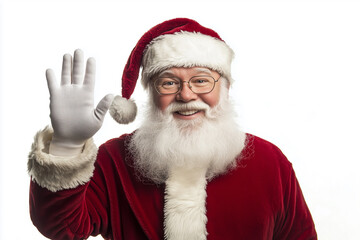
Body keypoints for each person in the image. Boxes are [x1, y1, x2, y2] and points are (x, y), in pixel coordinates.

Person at [28, 18, 317, 240]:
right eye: (168, 83)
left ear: (225, 88)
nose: (187, 95)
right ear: (152, 94)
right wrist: (66, 146)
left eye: (201, 80)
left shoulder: (270, 161)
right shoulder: (114, 159)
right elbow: (62, 227)